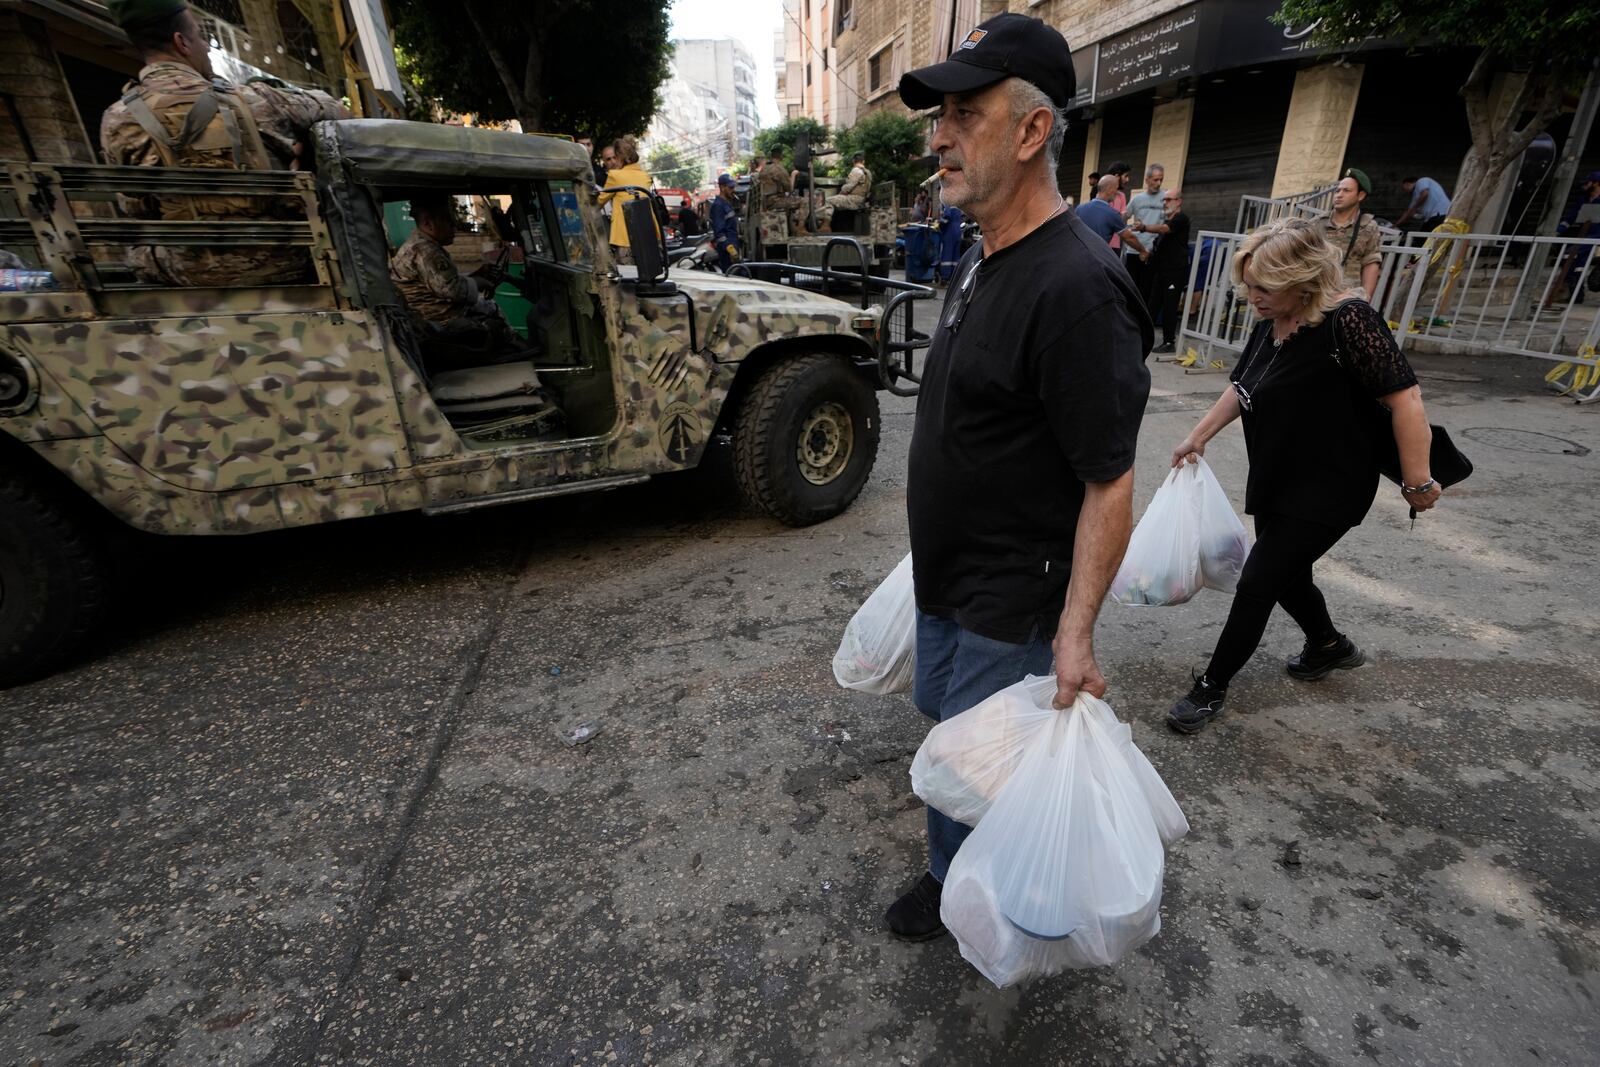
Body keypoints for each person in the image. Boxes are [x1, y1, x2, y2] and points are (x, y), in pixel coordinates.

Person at [884, 11, 1153, 941]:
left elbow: (1110, 480)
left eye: (964, 113)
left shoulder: (1078, 290)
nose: (938, 137)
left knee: (978, 759)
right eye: (938, 116)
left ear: (1034, 130)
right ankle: (956, 867)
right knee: (949, 734)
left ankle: (978, 897)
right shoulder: (979, 251)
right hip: (948, 576)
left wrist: (1075, 632)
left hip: (1010, 597)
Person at [1164, 216, 1441, 735]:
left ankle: (1211, 686)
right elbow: (1243, 387)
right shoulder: (1271, 321)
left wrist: (1418, 481)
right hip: (1278, 472)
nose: (1252, 297)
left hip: (1332, 482)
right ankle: (1328, 645)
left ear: (1304, 280)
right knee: (1290, 574)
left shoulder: (1349, 320)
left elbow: (1406, 398)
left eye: (1263, 288)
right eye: (1247, 285)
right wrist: (1198, 434)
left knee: (1259, 580)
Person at [99, 0, 347, 287]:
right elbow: (339, 111)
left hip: (184, 273)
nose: (205, 46)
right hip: (285, 262)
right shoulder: (256, 99)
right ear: (181, 43)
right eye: (200, 36)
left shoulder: (116, 120)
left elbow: (135, 208)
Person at [390, 193, 527, 365]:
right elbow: (451, 290)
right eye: (448, 220)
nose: (454, 225)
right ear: (428, 224)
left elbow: (442, 282)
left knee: (487, 306)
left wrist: (477, 275)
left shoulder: (421, 245)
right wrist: (479, 282)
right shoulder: (426, 251)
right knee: (491, 312)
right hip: (438, 320)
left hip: (431, 313)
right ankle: (514, 354)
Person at [1317, 167, 1383, 302]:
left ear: (1361, 195)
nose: (1339, 195)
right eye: (1337, 190)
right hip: (1315, 296)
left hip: (1347, 298)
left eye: (1346, 191)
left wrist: (1365, 300)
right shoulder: (1316, 224)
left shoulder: (1369, 227)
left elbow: (1370, 263)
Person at [1145, 188, 1191, 353]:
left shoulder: (1180, 219)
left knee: (1170, 306)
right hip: (1162, 270)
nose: (1165, 203)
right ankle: (1144, 336)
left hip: (1175, 271)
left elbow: (1165, 230)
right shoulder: (1167, 220)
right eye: (1164, 200)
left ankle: (1169, 341)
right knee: (1153, 303)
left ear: (1178, 201)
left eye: (1168, 199)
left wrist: (1144, 227)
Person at [596, 136, 652, 265]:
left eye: (614, 157)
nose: (613, 162)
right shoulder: (645, 176)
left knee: (629, 278)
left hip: (626, 238)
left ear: (619, 157)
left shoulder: (615, 176)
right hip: (648, 236)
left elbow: (599, 203)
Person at [1550, 170, 1600, 306]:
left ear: (1596, 184)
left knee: (1570, 255)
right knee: (1574, 266)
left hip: (1594, 238)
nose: (1585, 185)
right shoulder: (1583, 200)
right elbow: (1570, 217)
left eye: (1589, 182)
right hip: (1584, 237)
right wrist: (1557, 231)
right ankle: (1576, 297)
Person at [1078, 175, 1149, 259]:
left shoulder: (1079, 209)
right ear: (1109, 189)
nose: (1117, 192)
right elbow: (1129, 237)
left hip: (1078, 257)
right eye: (1116, 188)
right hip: (1096, 260)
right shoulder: (1112, 214)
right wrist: (1142, 250)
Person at [1125, 163, 1166, 297]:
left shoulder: (1166, 199)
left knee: (1147, 292)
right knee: (1130, 289)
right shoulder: (1137, 199)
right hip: (1135, 250)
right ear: (1147, 180)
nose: (1159, 183)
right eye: (1155, 180)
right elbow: (1123, 217)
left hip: (1154, 252)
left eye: (1161, 179)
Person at [818, 150, 873, 230]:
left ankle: (825, 226)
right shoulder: (868, 172)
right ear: (863, 161)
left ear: (853, 161)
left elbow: (847, 187)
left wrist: (840, 193)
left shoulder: (856, 170)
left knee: (828, 201)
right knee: (836, 200)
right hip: (862, 199)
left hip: (854, 200)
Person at [709, 172, 741, 271]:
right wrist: (730, 249)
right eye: (730, 188)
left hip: (732, 249)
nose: (733, 190)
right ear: (722, 188)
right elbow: (719, 233)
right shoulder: (718, 206)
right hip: (727, 252)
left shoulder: (726, 204)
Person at [1104, 160, 1132, 252]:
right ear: (1116, 177)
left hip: (1115, 245)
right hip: (1101, 243)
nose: (1127, 180)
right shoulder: (1102, 193)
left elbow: (1122, 219)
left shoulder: (1121, 196)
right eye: (1126, 176)